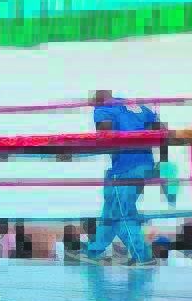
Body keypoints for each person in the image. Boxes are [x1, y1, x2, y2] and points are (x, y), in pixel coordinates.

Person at [68, 91, 167, 267]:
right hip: (144, 165)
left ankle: (143, 257)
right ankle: (93, 251)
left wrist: (74, 150)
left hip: (124, 168)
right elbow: (160, 130)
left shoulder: (103, 108)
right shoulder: (138, 107)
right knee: (110, 213)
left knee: (122, 214)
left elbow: (105, 137)